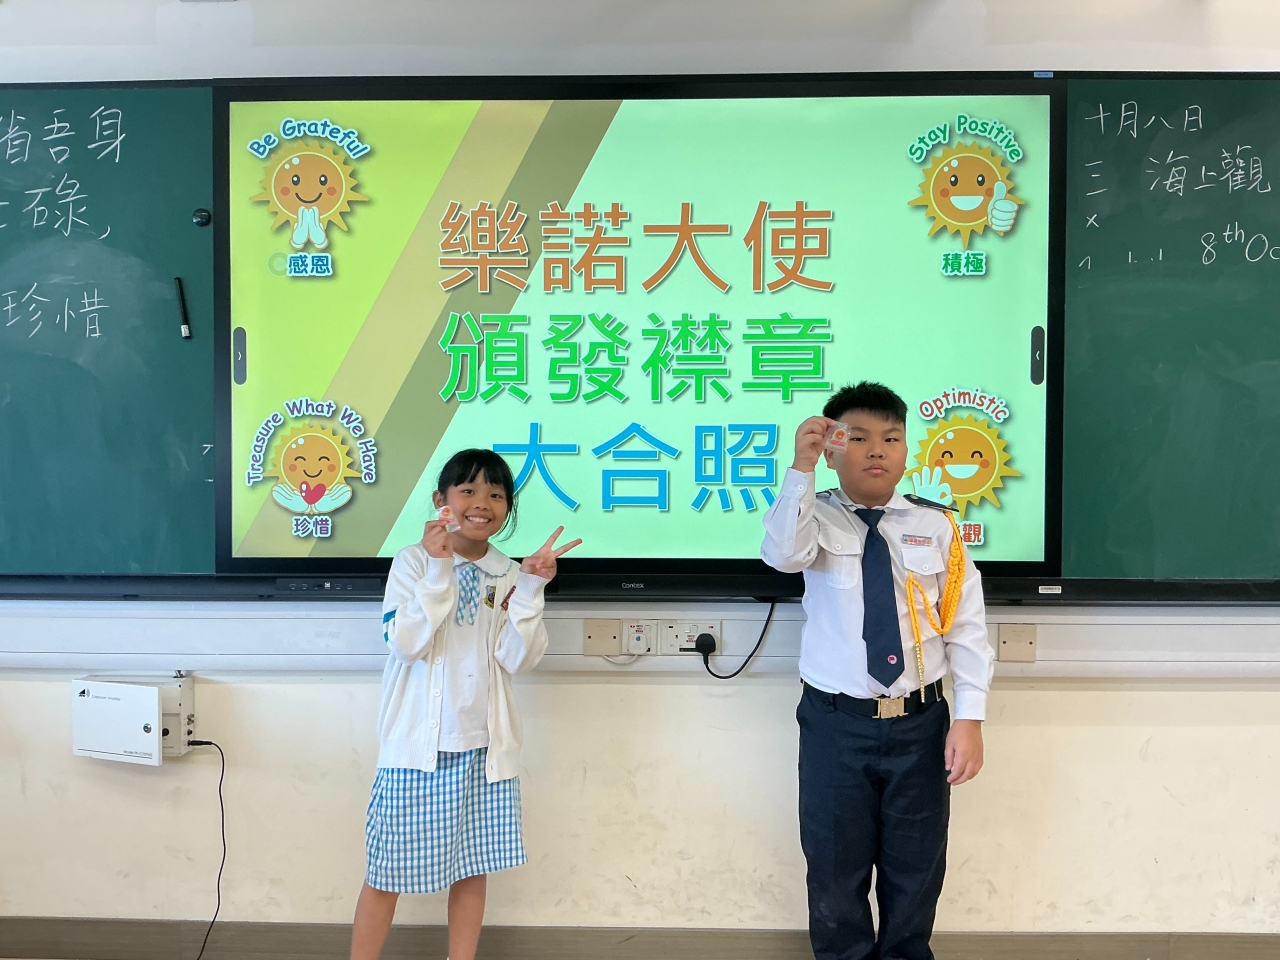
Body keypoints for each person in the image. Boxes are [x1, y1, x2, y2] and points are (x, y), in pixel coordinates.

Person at [761, 381, 994, 960]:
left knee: (915, 866)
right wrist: (800, 469)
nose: (876, 450)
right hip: (835, 723)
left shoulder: (937, 527)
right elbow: (782, 555)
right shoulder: (810, 516)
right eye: (858, 437)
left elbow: (965, 627)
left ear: (907, 450)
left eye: (891, 438)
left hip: (920, 723)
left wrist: (970, 719)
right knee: (834, 865)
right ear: (832, 449)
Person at [350, 448, 581, 960]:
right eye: (469, 490)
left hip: (483, 749)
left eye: (496, 494)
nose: (482, 503)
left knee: (472, 867)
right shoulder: (412, 561)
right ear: (442, 500)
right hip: (417, 750)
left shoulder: (507, 572)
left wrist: (531, 588)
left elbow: (516, 658)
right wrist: (439, 571)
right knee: (385, 871)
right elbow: (405, 644)